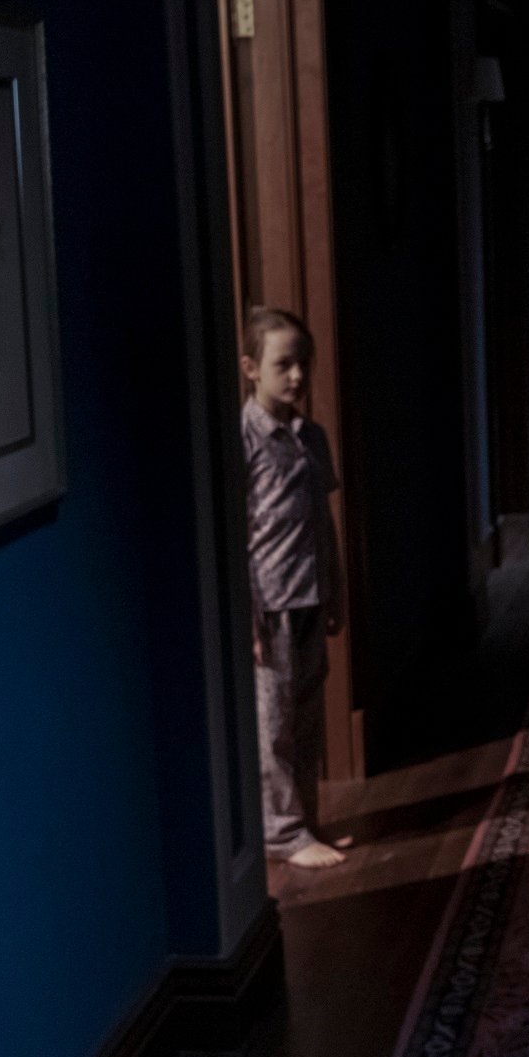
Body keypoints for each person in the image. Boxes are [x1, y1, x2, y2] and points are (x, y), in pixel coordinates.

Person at [240, 305, 353, 871]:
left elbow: (322, 521)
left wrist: (335, 589)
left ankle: (306, 820)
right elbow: (236, 532)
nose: (297, 376)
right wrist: (248, 613)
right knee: (275, 724)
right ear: (250, 368)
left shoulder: (312, 436)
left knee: (307, 716)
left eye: (303, 364)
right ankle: (282, 832)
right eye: (283, 365)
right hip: (272, 604)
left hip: (310, 594)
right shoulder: (245, 439)